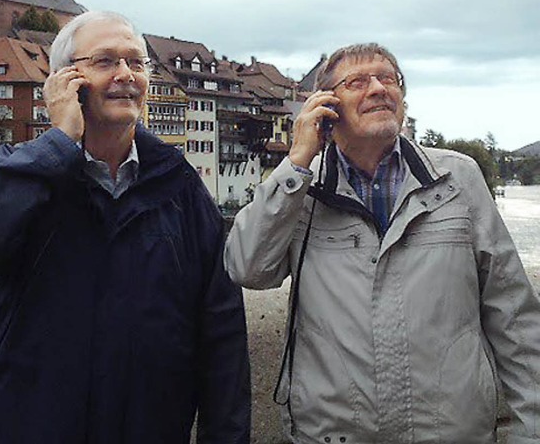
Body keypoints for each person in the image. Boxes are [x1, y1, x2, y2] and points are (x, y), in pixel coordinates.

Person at [0, 11, 250, 444]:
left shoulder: (180, 187)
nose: (125, 75)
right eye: (105, 62)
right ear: (64, 80)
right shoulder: (25, 168)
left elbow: (221, 333)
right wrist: (58, 144)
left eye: (136, 63)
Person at [224, 43, 540, 444]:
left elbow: (514, 317)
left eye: (388, 78)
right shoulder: (300, 189)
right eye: (357, 81)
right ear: (326, 108)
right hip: (332, 435)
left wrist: (529, 430)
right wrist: (297, 162)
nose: (377, 88)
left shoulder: (458, 180)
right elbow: (247, 268)